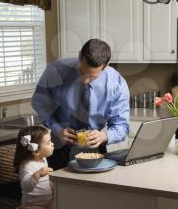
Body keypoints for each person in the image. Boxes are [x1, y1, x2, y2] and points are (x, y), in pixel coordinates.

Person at [32, 38, 130, 170]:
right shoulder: (56, 70)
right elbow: (39, 102)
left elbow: (122, 126)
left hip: (95, 149)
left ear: (106, 66)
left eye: (92, 77)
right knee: (57, 188)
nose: (85, 80)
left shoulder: (117, 84)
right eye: (82, 72)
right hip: (58, 146)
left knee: (91, 189)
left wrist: (104, 135)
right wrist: (57, 128)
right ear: (79, 56)